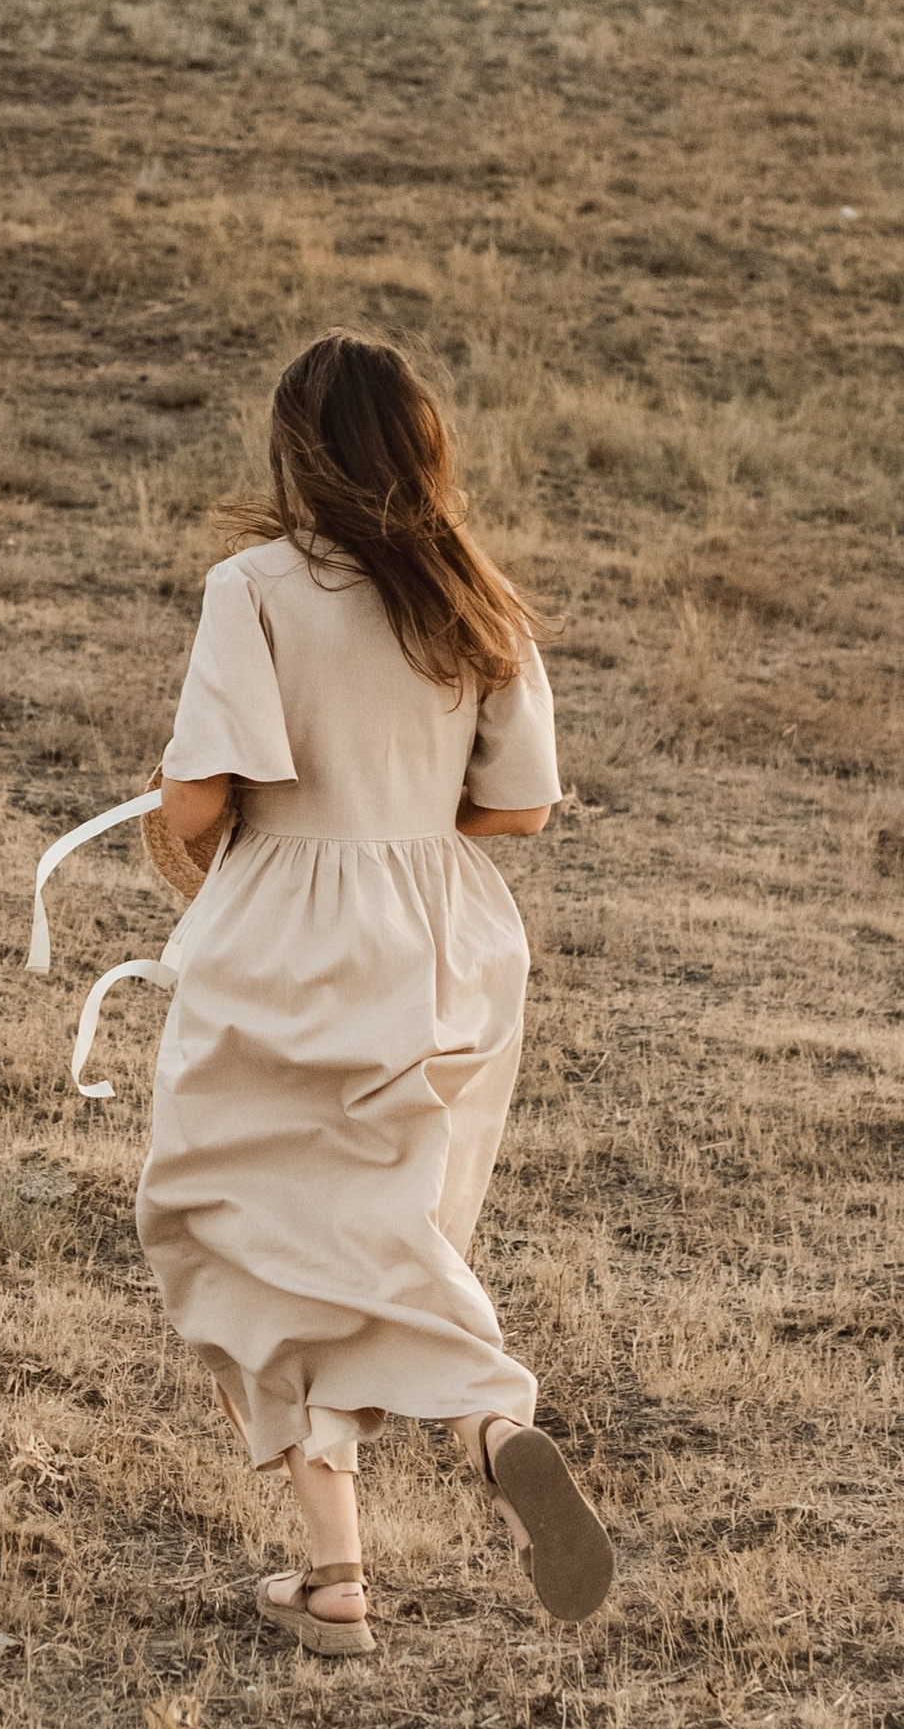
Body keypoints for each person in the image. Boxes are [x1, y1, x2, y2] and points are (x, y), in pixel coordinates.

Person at [136, 333, 614, 1658]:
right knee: (375, 1229)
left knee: (238, 1229)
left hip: (290, 927)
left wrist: (171, 812)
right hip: (448, 939)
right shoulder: (474, 596)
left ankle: (383, 1523)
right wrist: (404, 812)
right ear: (422, 446)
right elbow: (519, 809)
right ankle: (455, 1463)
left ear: (297, 450)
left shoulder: (254, 589)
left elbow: (200, 801)